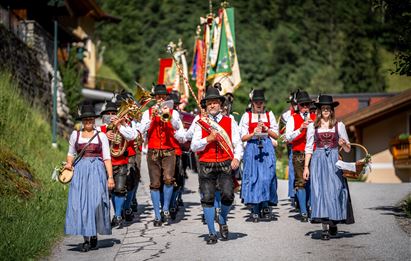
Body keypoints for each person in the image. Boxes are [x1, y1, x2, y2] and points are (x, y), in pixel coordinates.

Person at [191, 87, 243, 244]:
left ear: (221, 105)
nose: (212, 105)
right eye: (209, 103)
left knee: (228, 195)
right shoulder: (201, 123)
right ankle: (212, 233)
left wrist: (237, 159)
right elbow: (194, 146)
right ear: (206, 106)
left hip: (225, 163)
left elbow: (237, 143)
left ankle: (221, 218)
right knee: (207, 198)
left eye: (215, 102)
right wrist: (208, 139)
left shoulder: (230, 121)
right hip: (206, 164)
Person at [64, 103, 114, 252]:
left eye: (91, 120)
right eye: (86, 120)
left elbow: (107, 157)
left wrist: (110, 177)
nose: (88, 122)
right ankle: (86, 238)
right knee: (82, 205)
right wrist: (68, 164)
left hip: (97, 172)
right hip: (80, 172)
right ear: (82, 121)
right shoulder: (75, 135)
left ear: (94, 120)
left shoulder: (101, 136)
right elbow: (70, 153)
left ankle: (94, 234)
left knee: (96, 202)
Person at [303, 95, 354, 240]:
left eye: (328, 108)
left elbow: (348, 148)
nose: (325, 110)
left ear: (332, 110)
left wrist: (343, 143)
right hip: (318, 160)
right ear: (319, 110)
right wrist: (306, 167)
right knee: (319, 193)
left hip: (333, 160)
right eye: (323, 108)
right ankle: (324, 227)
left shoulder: (339, 125)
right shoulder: (313, 126)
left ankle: (333, 222)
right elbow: (308, 148)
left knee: (334, 191)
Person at [138, 84, 184, 226]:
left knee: (169, 179)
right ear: (155, 98)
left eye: (163, 97)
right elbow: (140, 130)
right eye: (158, 97)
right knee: (154, 184)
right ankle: (157, 215)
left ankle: (165, 208)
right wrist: (151, 118)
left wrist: (169, 116)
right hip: (153, 151)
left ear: (166, 97)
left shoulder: (174, 113)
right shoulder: (147, 113)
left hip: (169, 151)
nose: (160, 99)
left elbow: (178, 130)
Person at [239, 89, 279, 222]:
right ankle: (255, 207)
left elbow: (276, 136)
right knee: (254, 177)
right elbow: (242, 137)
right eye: (256, 102)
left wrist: (266, 130)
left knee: (267, 177)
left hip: (266, 147)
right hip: (252, 147)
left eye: (261, 101)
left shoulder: (269, 115)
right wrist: (253, 133)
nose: (259, 104)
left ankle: (266, 205)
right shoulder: (247, 116)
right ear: (252, 102)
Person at [99, 100, 138, 228]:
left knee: (120, 189)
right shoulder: (100, 129)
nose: (111, 115)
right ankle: (114, 214)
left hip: (121, 161)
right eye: (108, 113)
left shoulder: (124, 125)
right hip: (106, 163)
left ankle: (118, 215)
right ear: (104, 116)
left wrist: (120, 126)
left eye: (113, 113)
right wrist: (105, 135)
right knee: (109, 192)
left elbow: (133, 136)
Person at [285, 91, 316, 222]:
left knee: (313, 182)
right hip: (298, 153)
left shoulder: (316, 117)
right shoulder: (292, 118)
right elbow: (288, 137)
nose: (305, 107)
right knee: (300, 181)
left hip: (314, 153)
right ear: (298, 106)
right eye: (302, 105)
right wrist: (301, 129)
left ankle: (311, 207)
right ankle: (303, 211)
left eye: (307, 105)